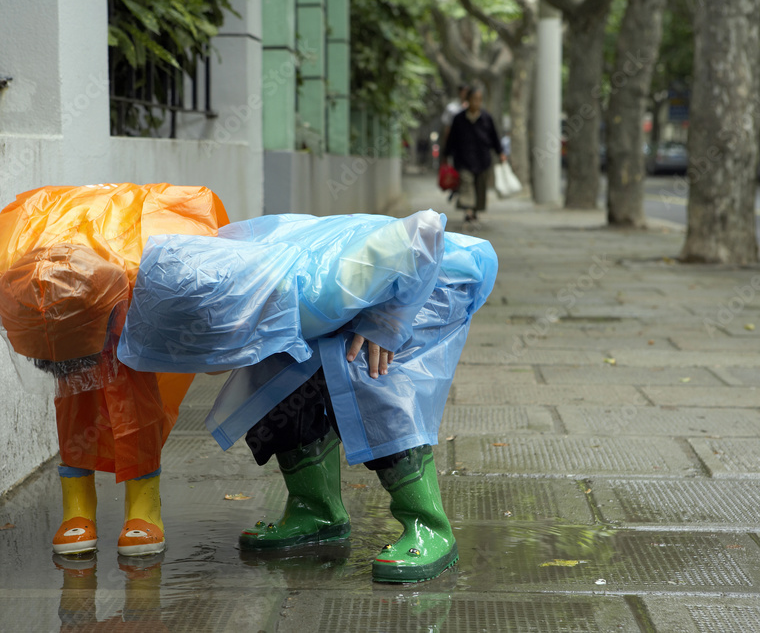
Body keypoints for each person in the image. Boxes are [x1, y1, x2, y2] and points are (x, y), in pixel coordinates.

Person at [117, 210, 499, 583]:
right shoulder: (229, 268)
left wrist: (387, 321)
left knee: (370, 380)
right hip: (359, 281)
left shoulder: (322, 287)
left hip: (431, 280)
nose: (201, 367)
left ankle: (429, 527)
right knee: (274, 382)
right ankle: (315, 512)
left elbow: (426, 231)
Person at [0, 182, 229, 557]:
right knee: (74, 400)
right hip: (70, 295)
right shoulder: (19, 273)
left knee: (134, 397)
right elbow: (0, 304)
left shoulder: (148, 265)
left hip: (122, 301)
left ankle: (142, 509)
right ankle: (78, 509)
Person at [443, 86, 507, 223]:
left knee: (479, 187)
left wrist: (500, 152)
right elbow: (451, 140)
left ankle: (475, 210)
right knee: (466, 184)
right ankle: (468, 210)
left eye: (479, 100)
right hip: (463, 159)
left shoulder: (486, 118)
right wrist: (445, 155)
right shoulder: (459, 119)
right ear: (468, 100)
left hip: (482, 159)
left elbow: (494, 137)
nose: (476, 103)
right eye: (474, 99)